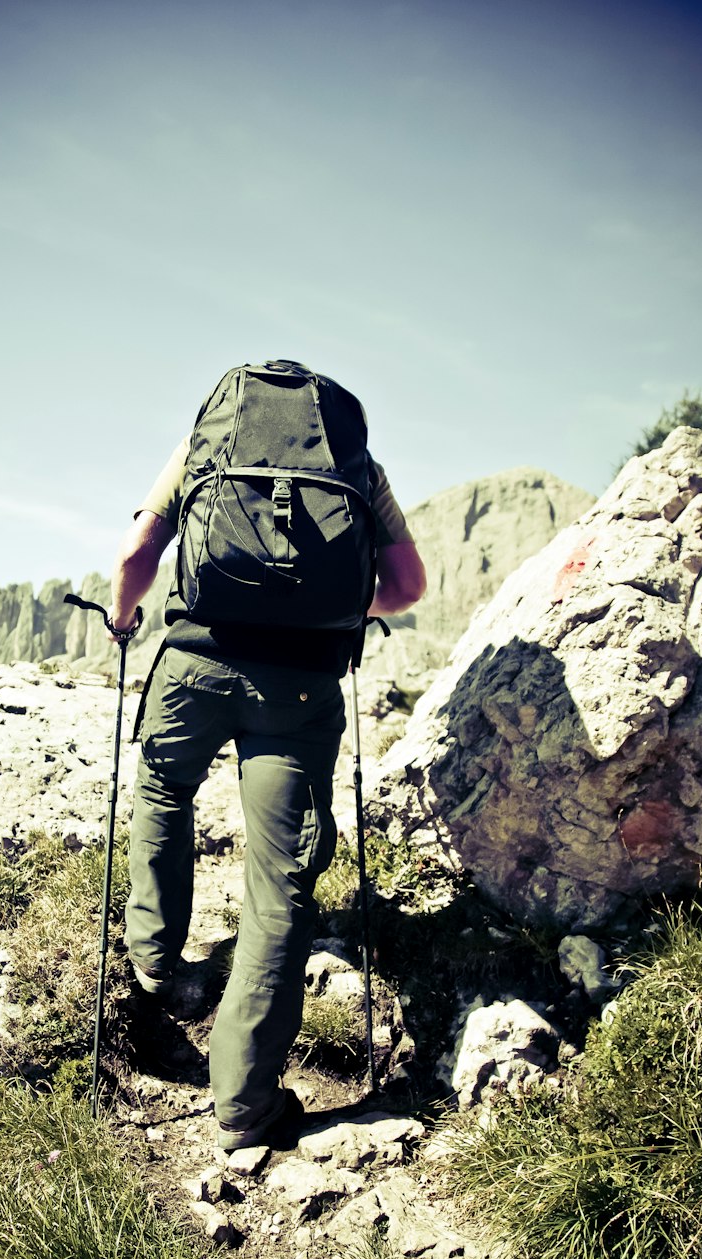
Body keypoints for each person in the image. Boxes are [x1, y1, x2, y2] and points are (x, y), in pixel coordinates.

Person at [105, 372, 426, 1152]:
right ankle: (246, 1105)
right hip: (301, 688)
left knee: (164, 793)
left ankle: (154, 966)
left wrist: (124, 616)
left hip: (193, 666)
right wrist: (340, 610)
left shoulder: (201, 448)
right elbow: (409, 585)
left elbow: (136, 551)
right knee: (279, 881)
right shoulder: (358, 467)